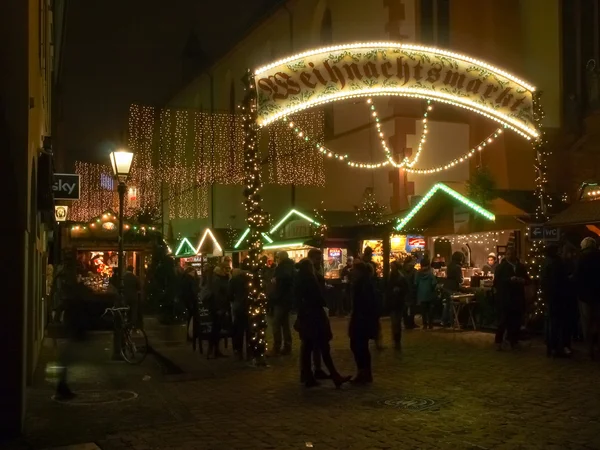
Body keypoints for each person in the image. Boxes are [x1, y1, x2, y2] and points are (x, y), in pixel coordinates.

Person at [294, 258, 351, 388]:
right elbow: (317, 298)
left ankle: (308, 375)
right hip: (315, 318)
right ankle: (334, 376)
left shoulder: (299, 281)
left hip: (306, 318)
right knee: (323, 347)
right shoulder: (310, 280)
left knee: (308, 348)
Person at [493, 247, 529, 350]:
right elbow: (497, 282)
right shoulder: (501, 267)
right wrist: (509, 280)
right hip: (505, 297)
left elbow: (527, 280)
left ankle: (513, 341)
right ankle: (498, 342)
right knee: (503, 320)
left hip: (517, 297)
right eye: (508, 254)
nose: (509, 256)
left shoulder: (520, 267)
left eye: (511, 254)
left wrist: (522, 280)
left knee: (516, 320)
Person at [349, 260, 379, 383]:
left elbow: (365, 303)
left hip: (362, 319)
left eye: (354, 269)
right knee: (360, 346)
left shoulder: (363, 284)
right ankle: (364, 372)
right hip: (362, 318)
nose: (352, 271)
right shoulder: (365, 282)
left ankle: (363, 372)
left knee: (359, 346)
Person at [305, 248, 329, 380]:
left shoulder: (315, 271)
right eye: (317, 259)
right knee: (315, 342)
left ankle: (315, 369)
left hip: (315, 310)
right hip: (313, 311)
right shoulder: (310, 274)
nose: (319, 261)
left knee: (315, 343)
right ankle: (313, 371)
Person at [541, 245, 569, 358]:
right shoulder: (557, 263)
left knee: (550, 321)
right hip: (557, 296)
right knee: (557, 322)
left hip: (549, 296)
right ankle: (556, 346)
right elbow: (561, 280)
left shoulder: (546, 263)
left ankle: (550, 345)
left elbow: (544, 280)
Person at [575, 237, 600, 359]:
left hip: (584, 296)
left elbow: (577, 276)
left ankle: (589, 349)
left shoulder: (581, 258)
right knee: (597, 321)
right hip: (598, 294)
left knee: (587, 322)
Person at [271, 251, 295, 355]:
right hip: (286, 299)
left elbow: (284, 279)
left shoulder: (283, 268)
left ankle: (277, 346)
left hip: (281, 300)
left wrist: (276, 280)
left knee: (276, 323)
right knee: (285, 324)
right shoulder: (290, 266)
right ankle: (287, 346)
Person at [207, 262, 231, 358]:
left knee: (217, 329)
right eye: (226, 268)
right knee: (215, 329)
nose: (227, 270)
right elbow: (217, 295)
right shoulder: (217, 279)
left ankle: (214, 351)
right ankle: (212, 351)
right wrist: (219, 308)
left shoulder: (221, 278)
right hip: (217, 308)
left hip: (220, 307)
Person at [229, 260, 251, 360]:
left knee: (238, 330)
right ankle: (250, 350)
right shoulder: (249, 279)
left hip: (239, 306)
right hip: (250, 306)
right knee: (249, 330)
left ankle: (238, 351)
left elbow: (230, 294)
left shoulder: (234, 280)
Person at [387, 260, 408, 350]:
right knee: (394, 322)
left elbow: (405, 289)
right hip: (394, 302)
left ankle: (397, 339)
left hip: (398, 302)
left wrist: (398, 290)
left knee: (396, 322)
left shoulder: (400, 277)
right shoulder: (392, 276)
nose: (392, 268)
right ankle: (396, 339)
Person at [442, 252, 464, 327]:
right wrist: (463, 280)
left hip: (446, 286)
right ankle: (452, 322)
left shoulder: (449, 265)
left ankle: (444, 321)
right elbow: (460, 280)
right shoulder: (458, 267)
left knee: (447, 305)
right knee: (453, 305)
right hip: (452, 288)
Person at [181, 266, 200, 351]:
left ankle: (189, 335)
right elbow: (193, 291)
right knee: (192, 318)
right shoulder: (190, 280)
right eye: (193, 272)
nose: (194, 273)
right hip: (191, 302)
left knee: (189, 319)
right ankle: (192, 334)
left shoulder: (184, 279)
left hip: (187, 301)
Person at [415, 258, 437, 329]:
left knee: (423, 311)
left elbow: (415, 283)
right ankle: (430, 324)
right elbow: (434, 283)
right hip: (429, 294)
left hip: (421, 294)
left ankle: (424, 325)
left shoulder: (418, 273)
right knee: (430, 310)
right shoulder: (430, 274)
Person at [402, 256, 417, 329]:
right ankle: (411, 322)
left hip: (404, 291)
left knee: (405, 308)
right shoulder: (414, 271)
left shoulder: (402, 270)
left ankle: (406, 322)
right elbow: (415, 282)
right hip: (411, 291)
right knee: (412, 308)